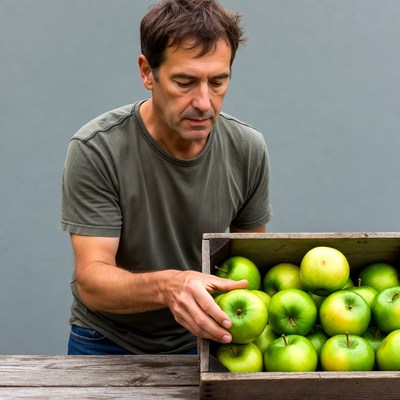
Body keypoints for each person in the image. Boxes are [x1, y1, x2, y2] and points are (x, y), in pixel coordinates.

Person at [60, 0, 272, 355]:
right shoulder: (97, 148)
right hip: (108, 340)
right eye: (185, 82)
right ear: (147, 72)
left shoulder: (247, 148)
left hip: (210, 337)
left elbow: (249, 267)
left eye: (218, 81)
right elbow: (92, 281)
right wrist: (170, 286)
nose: (204, 102)